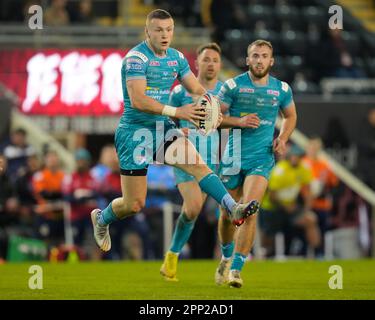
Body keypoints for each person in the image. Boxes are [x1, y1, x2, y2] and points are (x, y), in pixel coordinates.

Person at [90, 10, 259, 257]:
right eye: (158, 30)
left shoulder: (177, 58)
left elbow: (196, 88)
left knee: (199, 166)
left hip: (161, 130)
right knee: (134, 204)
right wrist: (178, 111)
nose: (165, 35)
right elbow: (138, 100)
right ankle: (102, 218)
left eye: (169, 30)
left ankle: (232, 208)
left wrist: (211, 105)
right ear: (147, 31)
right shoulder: (136, 59)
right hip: (134, 132)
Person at [214, 39, 297, 288]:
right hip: (233, 156)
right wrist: (239, 122)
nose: (259, 60)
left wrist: (282, 138)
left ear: (271, 61)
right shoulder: (232, 85)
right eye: (255, 55)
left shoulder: (281, 89)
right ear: (247, 59)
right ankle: (226, 257)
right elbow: (214, 119)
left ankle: (237, 269)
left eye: (264, 56)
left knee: (250, 209)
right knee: (228, 214)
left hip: (261, 157)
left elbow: (291, 116)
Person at [159, 42, 223, 281]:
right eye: (206, 59)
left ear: (220, 65)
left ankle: (173, 255)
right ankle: (174, 255)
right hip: (185, 157)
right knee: (194, 206)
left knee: (192, 212)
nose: (211, 64)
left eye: (215, 60)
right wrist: (175, 131)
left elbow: (228, 121)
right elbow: (163, 120)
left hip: (211, 161)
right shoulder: (180, 92)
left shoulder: (224, 92)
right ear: (196, 63)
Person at [303, 137, 338, 257]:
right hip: (305, 204)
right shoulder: (303, 163)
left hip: (322, 204)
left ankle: (319, 253)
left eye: (316, 147)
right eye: (311, 147)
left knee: (322, 229)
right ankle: (306, 252)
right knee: (307, 228)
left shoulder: (325, 165)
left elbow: (333, 183)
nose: (313, 150)